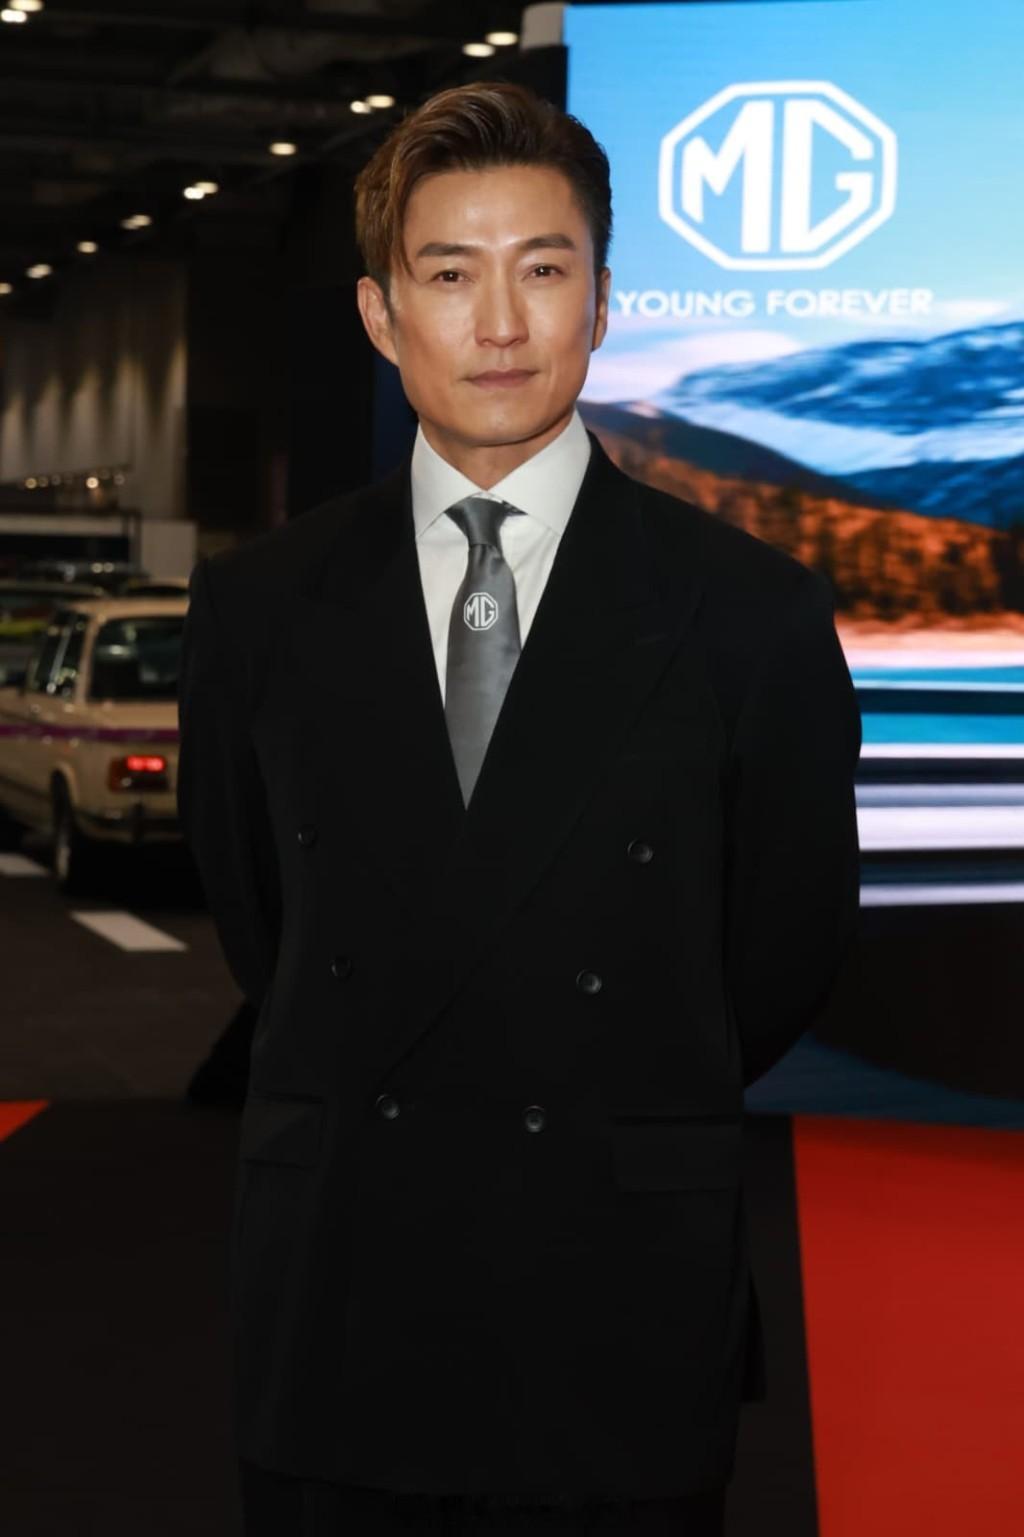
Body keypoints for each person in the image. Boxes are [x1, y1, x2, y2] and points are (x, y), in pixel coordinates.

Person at [176, 82, 862, 1536]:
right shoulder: (261, 607)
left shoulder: (751, 615)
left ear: (602, 304)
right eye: (450, 274)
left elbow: (779, 953)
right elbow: (263, 926)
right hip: (344, 1283)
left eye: (543, 270)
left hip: (616, 1285)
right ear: (380, 316)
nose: (500, 323)